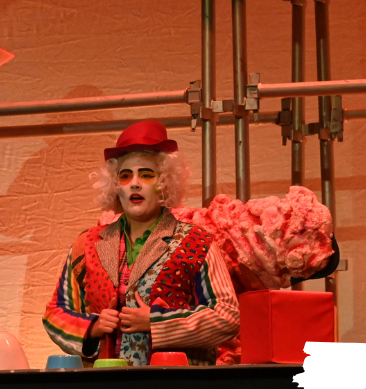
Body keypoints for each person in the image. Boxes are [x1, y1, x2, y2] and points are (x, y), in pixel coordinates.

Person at [43, 120, 239, 366]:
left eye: (146, 175)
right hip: (104, 383)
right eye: (125, 176)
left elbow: (226, 316)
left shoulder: (196, 243)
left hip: (173, 382)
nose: (135, 183)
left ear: (164, 183)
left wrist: (157, 322)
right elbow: (56, 312)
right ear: (116, 186)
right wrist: (93, 327)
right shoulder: (88, 244)